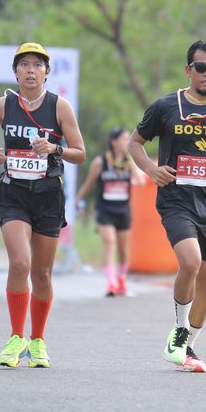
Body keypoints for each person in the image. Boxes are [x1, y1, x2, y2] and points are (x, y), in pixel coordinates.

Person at [128, 40, 206, 373]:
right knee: (190, 261)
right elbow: (134, 143)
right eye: (201, 67)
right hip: (175, 199)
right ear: (189, 70)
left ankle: (188, 346)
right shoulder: (165, 106)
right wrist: (151, 169)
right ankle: (180, 331)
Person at [0, 42, 86, 368]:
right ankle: (16, 337)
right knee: (20, 263)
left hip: (47, 195)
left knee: (41, 273)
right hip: (13, 193)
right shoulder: (3, 104)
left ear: (47, 72)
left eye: (37, 65)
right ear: (15, 72)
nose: (30, 70)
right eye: (24, 64)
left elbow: (80, 153)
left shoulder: (59, 107)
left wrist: (54, 148)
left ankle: (37, 340)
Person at [74, 127, 144, 296]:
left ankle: (121, 280)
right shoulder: (101, 162)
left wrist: (132, 161)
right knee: (110, 243)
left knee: (123, 249)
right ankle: (111, 283)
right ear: (113, 142)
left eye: (128, 139)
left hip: (123, 210)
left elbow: (141, 181)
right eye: (124, 139)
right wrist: (77, 200)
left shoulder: (128, 162)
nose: (127, 142)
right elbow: (89, 184)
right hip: (105, 210)